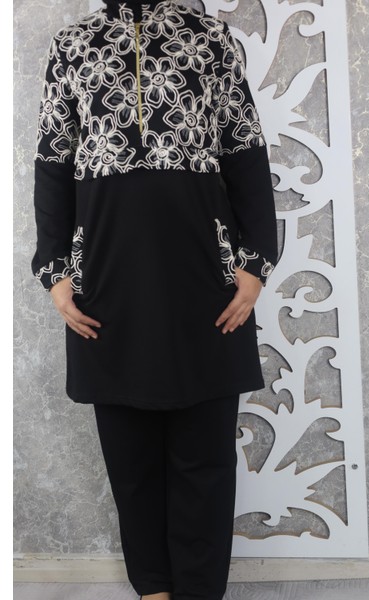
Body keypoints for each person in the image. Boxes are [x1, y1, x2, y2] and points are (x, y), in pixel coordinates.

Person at [30, 1, 279, 599]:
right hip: (106, 283)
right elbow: (53, 163)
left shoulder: (209, 39)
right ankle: (154, 590)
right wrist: (55, 272)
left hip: (205, 282)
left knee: (205, 457)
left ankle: (197, 591)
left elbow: (246, 154)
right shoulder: (73, 46)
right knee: (131, 457)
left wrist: (254, 265)